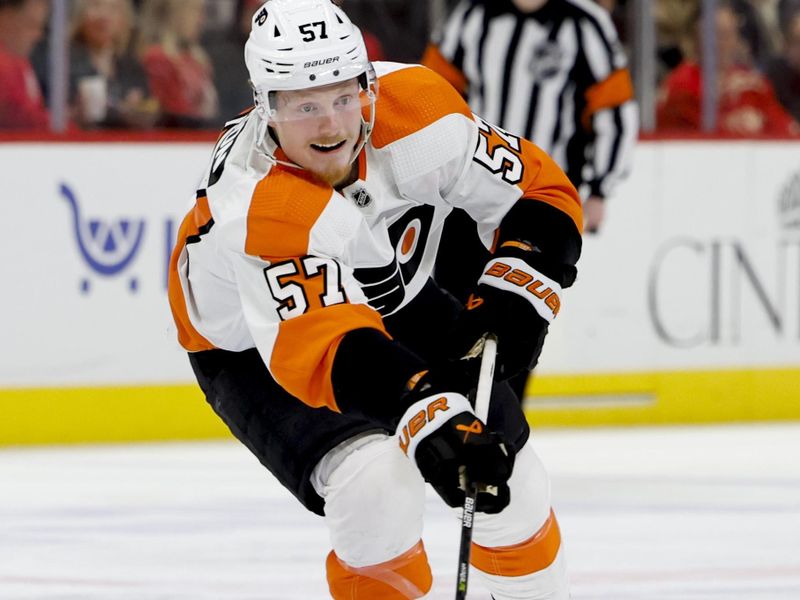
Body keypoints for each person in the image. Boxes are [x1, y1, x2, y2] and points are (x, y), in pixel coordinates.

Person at [167, 1, 582, 598]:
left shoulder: (418, 110)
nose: (332, 126)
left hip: (398, 301)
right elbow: (331, 346)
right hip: (256, 347)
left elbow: (538, 191)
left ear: (367, 80)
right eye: (305, 106)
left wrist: (515, 294)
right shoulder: (258, 202)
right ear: (266, 106)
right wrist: (430, 415)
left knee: (514, 484)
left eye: (342, 96)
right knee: (375, 487)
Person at [421, 0, 636, 398]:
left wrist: (601, 187)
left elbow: (613, 110)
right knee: (450, 309)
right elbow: (427, 96)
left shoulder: (584, 24)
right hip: (464, 199)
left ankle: (501, 424)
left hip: (539, 205)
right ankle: (450, 419)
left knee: (516, 318)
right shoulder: (472, 16)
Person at [657, 1, 798, 135]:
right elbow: (677, 131)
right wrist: (726, 122)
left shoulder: (752, 83)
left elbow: (785, 127)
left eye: (730, 34)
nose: (723, 43)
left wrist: (762, 124)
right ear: (697, 37)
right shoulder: (681, 82)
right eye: (717, 35)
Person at [69, 0, 158, 129]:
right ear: (80, 13)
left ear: (124, 19)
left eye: (113, 7)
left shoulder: (132, 66)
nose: (104, 16)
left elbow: (149, 108)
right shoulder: (63, 63)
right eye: (95, 5)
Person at [138, 0, 218, 128]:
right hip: (175, 138)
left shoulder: (198, 59)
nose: (201, 20)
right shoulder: (157, 57)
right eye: (195, 11)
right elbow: (175, 112)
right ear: (176, 14)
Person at [0, 0, 48, 130]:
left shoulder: (21, 63)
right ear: (6, 18)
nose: (38, 35)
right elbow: (20, 119)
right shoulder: (5, 66)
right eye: (31, 25)